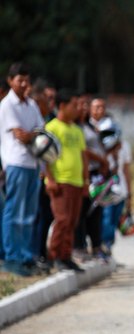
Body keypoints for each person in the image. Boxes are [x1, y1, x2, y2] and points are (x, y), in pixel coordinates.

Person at [0, 62, 45, 276]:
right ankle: (12, 256)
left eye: (26, 80)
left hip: (33, 163)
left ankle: (27, 256)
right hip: (16, 162)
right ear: (11, 81)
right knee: (14, 211)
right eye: (20, 80)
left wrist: (31, 134)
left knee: (29, 213)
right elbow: (22, 136)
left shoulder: (31, 105)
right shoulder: (7, 105)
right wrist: (31, 134)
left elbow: (39, 130)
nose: (24, 84)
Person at [43, 88, 88, 272]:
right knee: (62, 220)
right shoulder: (52, 128)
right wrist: (50, 179)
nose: (78, 109)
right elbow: (44, 156)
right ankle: (55, 256)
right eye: (74, 105)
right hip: (60, 181)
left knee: (72, 221)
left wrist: (86, 181)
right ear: (62, 106)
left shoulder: (77, 130)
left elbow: (83, 156)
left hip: (77, 182)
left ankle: (66, 255)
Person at [74, 94, 109, 261]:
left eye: (85, 105)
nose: (83, 108)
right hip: (82, 173)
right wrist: (101, 159)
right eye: (80, 105)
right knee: (81, 212)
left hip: (96, 174)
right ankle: (79, 246)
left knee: (96, 211)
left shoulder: (89, 126)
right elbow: (84, 151)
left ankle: (96, 245)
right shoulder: (76, 128)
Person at [29, 78, 57, 272]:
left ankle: (40, 252)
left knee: (46, 216)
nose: (50, 103)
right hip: (35, 173)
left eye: (52, 99)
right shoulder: (32, 119)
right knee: (35, 216)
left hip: (44, 173)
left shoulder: (50, 119)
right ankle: (34, 253)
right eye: (46, 99)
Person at [97, 117, 132, 256]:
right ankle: (102, 247)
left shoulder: (124, 146)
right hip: (105, 189)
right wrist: (109, 153)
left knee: (115, 221)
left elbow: (126, 171)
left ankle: (108, 248)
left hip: (120, 189)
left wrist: (130, 193)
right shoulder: (99, 147)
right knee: (106, 219)